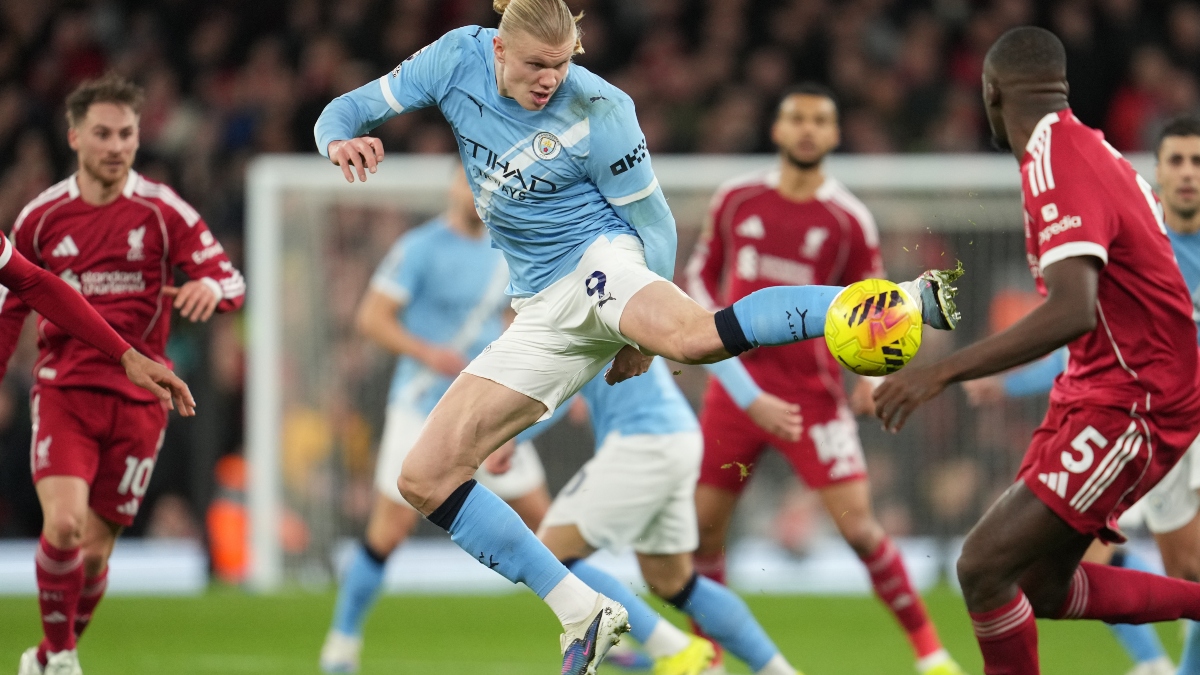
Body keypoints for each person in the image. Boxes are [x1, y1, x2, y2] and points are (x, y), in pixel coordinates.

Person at [314, 1, 960, 671]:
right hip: (539, 305)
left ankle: (900, 299)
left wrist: (641, 339)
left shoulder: (601, 107)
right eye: (537, 65)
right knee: (423, 477)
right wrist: (337, 140)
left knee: (694, 338)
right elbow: (346, 109)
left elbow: (655, 226)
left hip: (599, 258)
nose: (551, 80)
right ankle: (582, 612)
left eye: (562, 64)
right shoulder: (454, 59)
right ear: (499, 50)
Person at [874, 27, 1200, 675]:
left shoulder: (1057, 162)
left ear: (992, 93)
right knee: (1039, 584)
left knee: (983, 567)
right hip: (1104, 387)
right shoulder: (1084, 150)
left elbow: (1072, 308)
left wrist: (939, 372)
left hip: (1137, 397)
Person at [684, 84, 966, 675]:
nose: (808, 129)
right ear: (778, 130)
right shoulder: (737, 199)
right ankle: (709, 657)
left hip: (813, 395)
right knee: (704, 533)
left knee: (860, 529)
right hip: (736, 391)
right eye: (797, 118)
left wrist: (868, 379)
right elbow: (700, 277)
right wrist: (720, 349)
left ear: (835, 135)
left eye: (820, 120)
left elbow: (879, 311)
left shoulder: (848, 220)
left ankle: (931, 653)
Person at [10, 73, 244, 675]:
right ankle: (62, 658)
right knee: (64, 525)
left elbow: (231, 279)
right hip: (64, 390)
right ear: (74, 137)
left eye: (126, 134)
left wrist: (212, 289)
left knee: (93, 555)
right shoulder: (41, 217)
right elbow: (16, 299)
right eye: (103, 134)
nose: (116, 146)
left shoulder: (163, 211)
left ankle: (49, 654)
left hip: (141, 401)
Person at [964, 114, 1200, 675]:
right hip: (1147, 421)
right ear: (1157, 171)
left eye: (1198, 162)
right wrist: (1011, 381)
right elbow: (1090, 340)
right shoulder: (1143, 241)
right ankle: (1152, 661)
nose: (1188, 173)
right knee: (1184, 572)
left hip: (1178, 414)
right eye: (1176, 160)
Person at [319, 164, 552, 673]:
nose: (477, 192)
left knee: (548, 521)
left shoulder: (507, 248)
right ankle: (342, 641)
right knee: (390, 529)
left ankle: (592, 625)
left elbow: (513, 318)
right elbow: (371, 318)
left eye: (486, 183)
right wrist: (428, 353)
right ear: (451, 185)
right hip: (421, 405)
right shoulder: (419, 248)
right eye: (468, 181)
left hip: (487, 406)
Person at [537, 357, 805, 675]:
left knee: (549, 555)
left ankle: (674, 649)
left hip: (642, 441)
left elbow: (701, 337)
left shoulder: (569, 322)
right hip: (675, 436)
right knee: (673, 581)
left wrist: (752, 399)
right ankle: (775, 670)